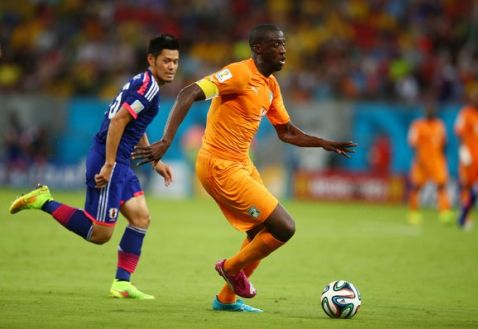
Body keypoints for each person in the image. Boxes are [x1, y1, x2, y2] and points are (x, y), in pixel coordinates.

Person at [132, 24, 356, 312]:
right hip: (219, 165)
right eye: (276, 44)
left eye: (284, 43)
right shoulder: (239, 74)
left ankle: (225, 299)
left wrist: (322, 143)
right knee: (284, 227)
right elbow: (187, 93)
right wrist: (165, 141)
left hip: (241, 164)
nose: (284, 49)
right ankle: (230, 267)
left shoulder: (270, 85)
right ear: (258, 49)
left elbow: (286, 132)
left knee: (260, 233)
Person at [9, 34, 180, 299]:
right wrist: (109, 164)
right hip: (108, 158)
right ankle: (43, 201)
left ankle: (122, 284)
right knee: (99, 233)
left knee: (141, 217)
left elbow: (135, 124)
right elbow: (117, 122)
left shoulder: (146, 84)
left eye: (175, 61)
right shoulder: (147, 87)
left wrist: (154, 161)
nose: (171, 66)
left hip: (121, 161)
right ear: (151, 60)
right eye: (166, 60)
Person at [406, 102, 453, 225]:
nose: (430, 112)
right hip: (422, 161)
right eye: (428, 109)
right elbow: (412, 143)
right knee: (416, 187)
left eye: (432, 109)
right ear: (425, 111)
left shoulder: (440, 125)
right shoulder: (417, 125)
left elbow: (444, 143)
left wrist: (443, 157)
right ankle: (414, 213)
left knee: (441, 186)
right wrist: (419, 158)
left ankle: (444, 213)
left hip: (437, 161)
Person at [455, 87, 478, 229]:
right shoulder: (465, 114)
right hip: (469, 159)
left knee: (476, 189)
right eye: (476, 98)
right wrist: (463, 150)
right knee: (466, 186)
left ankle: (465, 214)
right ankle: (464, 216)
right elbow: (460, 133)